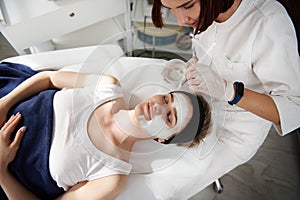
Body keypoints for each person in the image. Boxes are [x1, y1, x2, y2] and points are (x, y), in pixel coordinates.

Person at [0, 62, 211, 199]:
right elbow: (48, 78)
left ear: (164, 138)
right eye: (166, 99)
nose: (159, 107)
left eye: (170, 116)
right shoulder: (107, 85)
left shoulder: (111, 176)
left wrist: (1, 172)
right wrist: (4, 104)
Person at [152, 0, 300, 188]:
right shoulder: (205, 15)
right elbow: (211, 56)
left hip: (235, 132)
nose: (181, 21)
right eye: (171, 10)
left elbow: (294, 108)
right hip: (200, 112)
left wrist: (230, 91)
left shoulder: (267, 22)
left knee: (172, 184)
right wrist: (188, 67)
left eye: (187, 6)